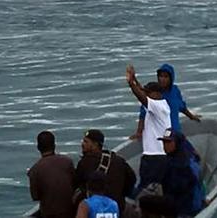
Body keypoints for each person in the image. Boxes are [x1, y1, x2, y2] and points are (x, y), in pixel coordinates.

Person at [126, 64, 171, 193]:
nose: (146, 96)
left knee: (147, 190)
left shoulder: (158, 107)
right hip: (158, 156)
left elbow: (141, 97)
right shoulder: (159, 103)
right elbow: (142, 92)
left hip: (155, 157)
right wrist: (134, 79)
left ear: (156, 94)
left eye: (148, 94)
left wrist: (130, 84)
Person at [138, 128, 202, 218]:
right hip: (187, 201)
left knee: (143, 201)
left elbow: (177, 188)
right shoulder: (188, 157)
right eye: (164, 142)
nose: (165, 146)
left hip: (184, 206)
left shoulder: (181, 164)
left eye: (168, 142)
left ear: (177, 143)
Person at [74, 130, 135, 215]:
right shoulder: (119, 160)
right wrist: (120, 194)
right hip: (118, 207)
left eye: (86, 141)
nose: (82, 144)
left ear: (95, 144)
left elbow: (76, 184)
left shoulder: (85, 162)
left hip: (93, 210)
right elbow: (132, 179)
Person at [27, 130, 75, 218]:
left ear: (38, 147)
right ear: (54, 145)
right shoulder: (68, 162)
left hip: (49, 213)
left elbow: (35, 196)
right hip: (70, 211)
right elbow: (74, 184)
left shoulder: (35, 170)